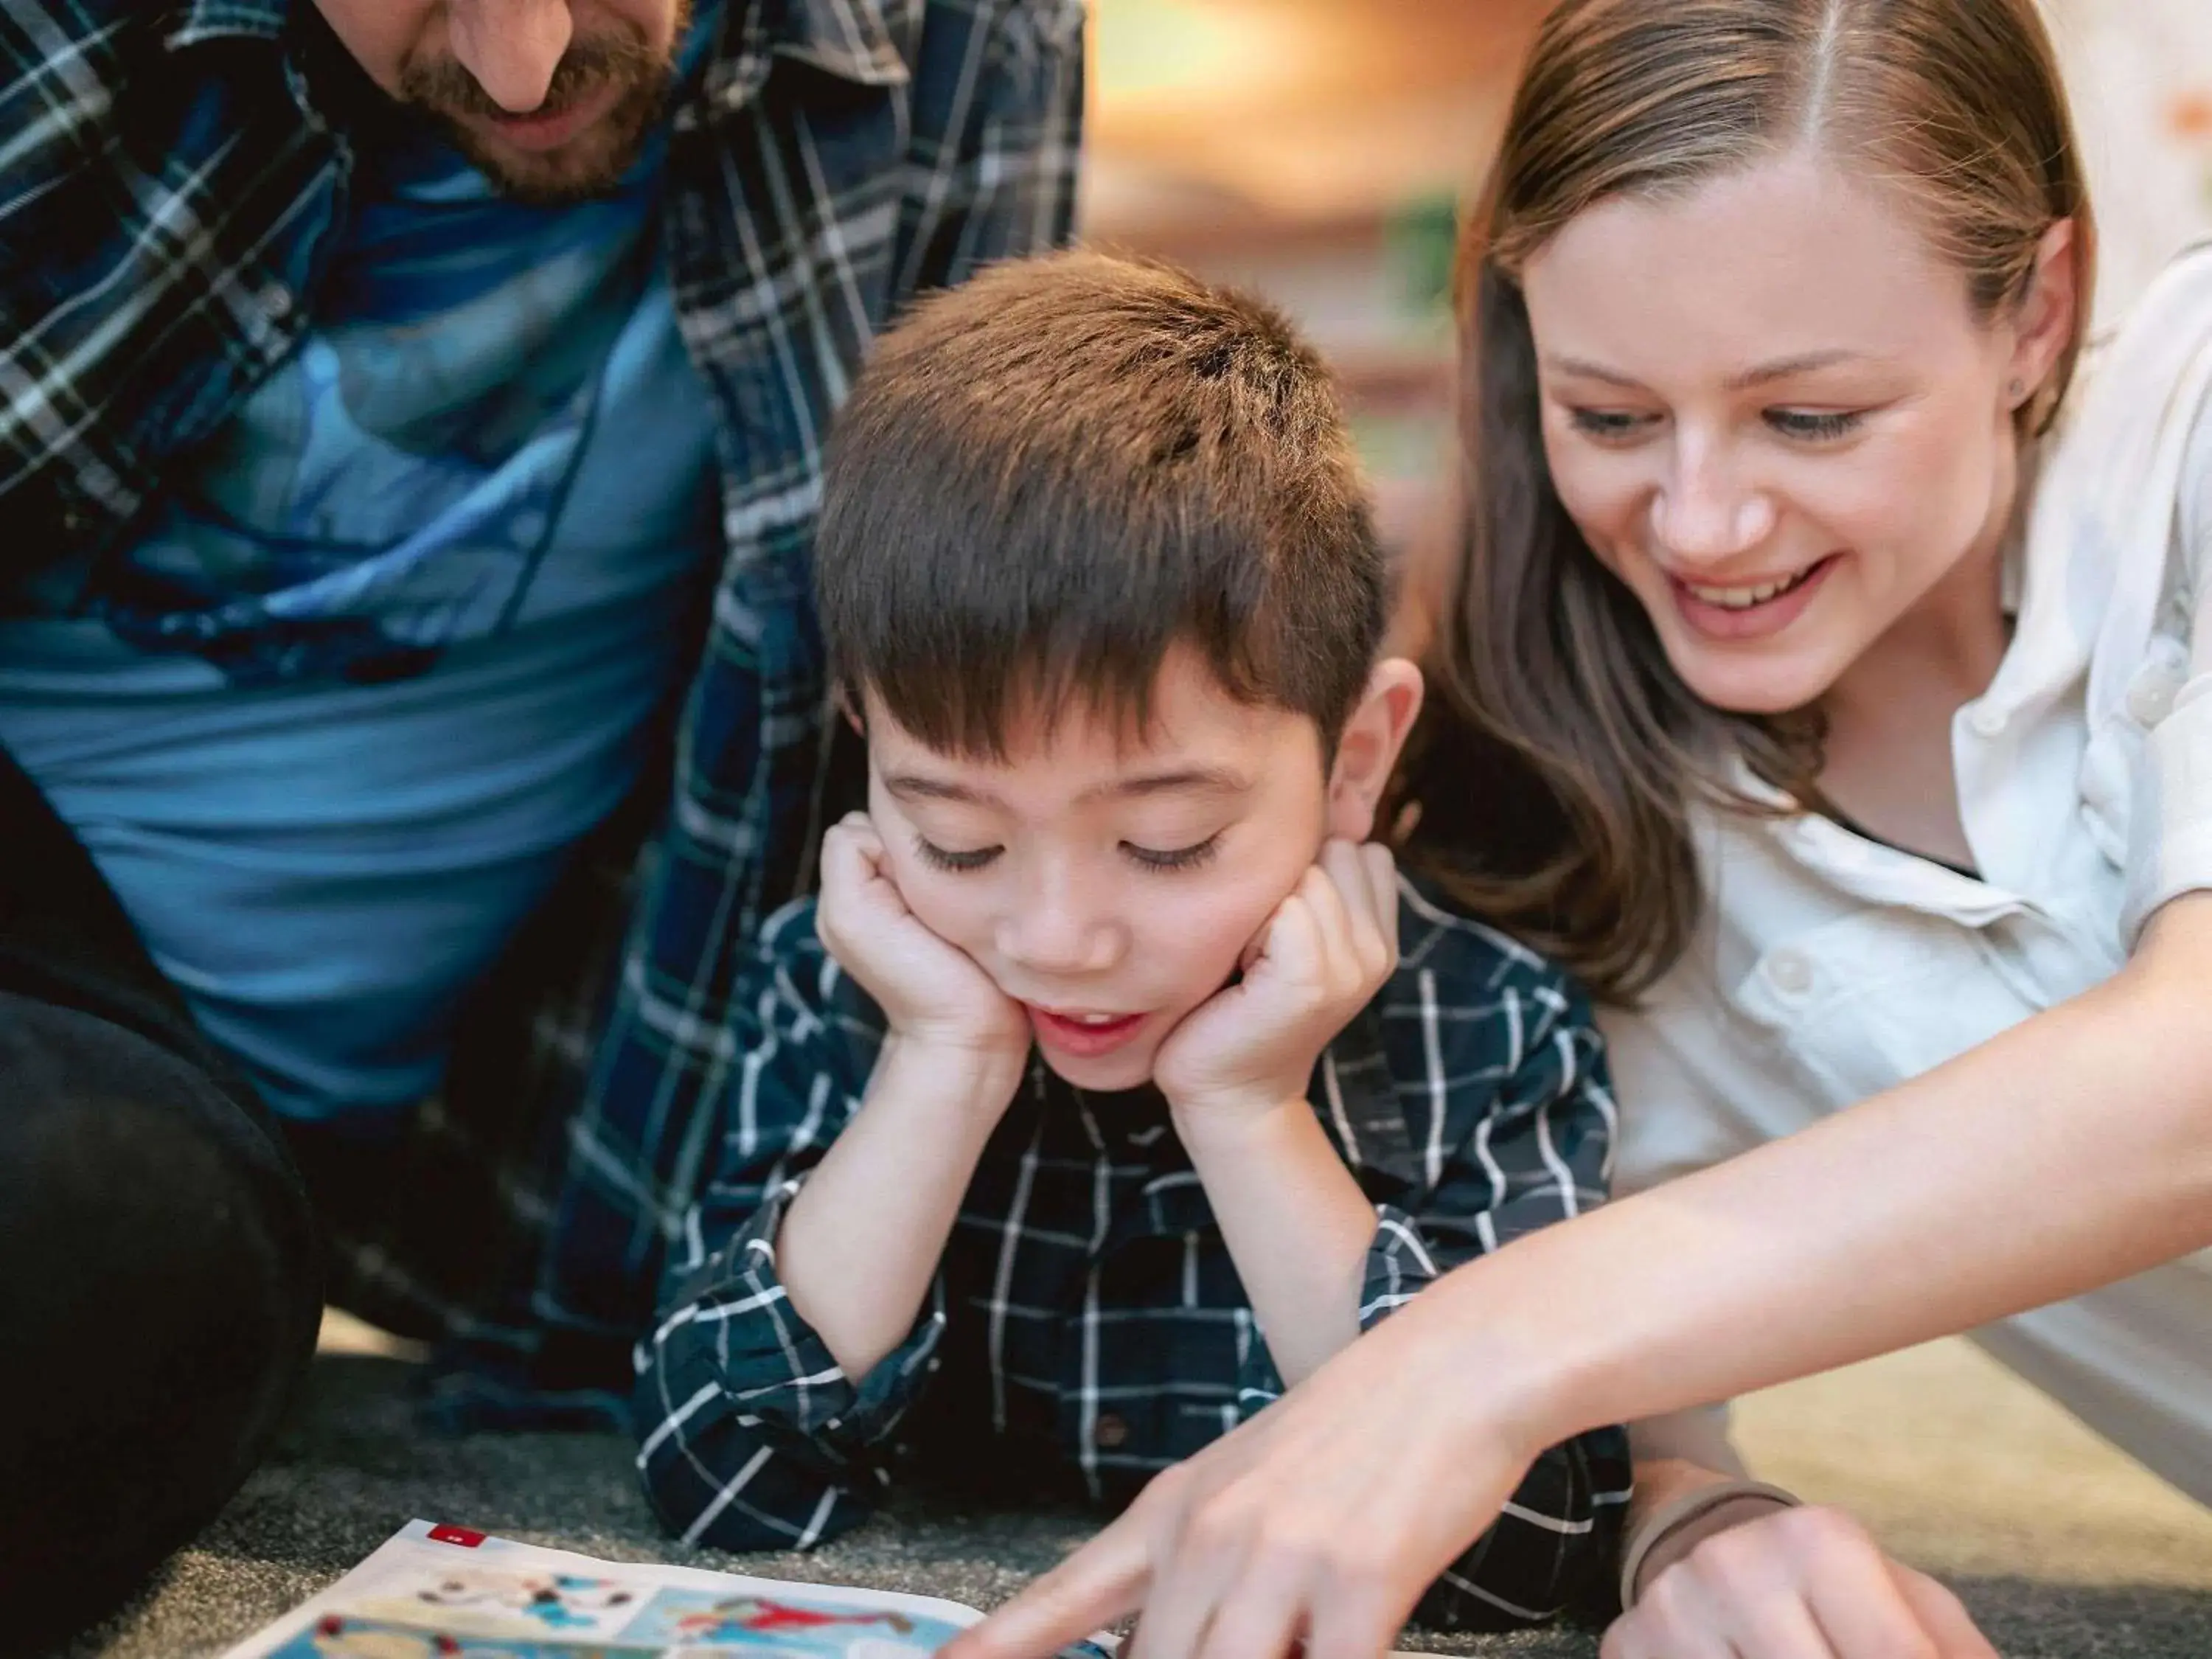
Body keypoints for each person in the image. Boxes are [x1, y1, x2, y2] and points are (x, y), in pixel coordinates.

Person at [936, 3, 2212, 1658]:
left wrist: (1476, 1349)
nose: (1702, 523)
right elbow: (1621, 1337)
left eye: (1812, 418)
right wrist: (1694, 1515)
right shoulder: (1555, 815)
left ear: (2036, 312)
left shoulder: (2188, 418)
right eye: (1610, 417)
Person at [0, 0, 1077, 1641]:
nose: (521, 67)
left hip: (362, 1154)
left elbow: (964, 675)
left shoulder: (970, 39)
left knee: (117, 1250)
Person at [627, 250, 1632, 1628]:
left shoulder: (1493, 1028)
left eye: (1167, 843)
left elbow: (1518, 1554)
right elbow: (719, 1476)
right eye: (959, 839)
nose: (1058, 941)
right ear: (866, 745)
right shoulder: (850, 978)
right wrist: (940, 1062)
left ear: (1353, 761)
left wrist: (1250, 1108)